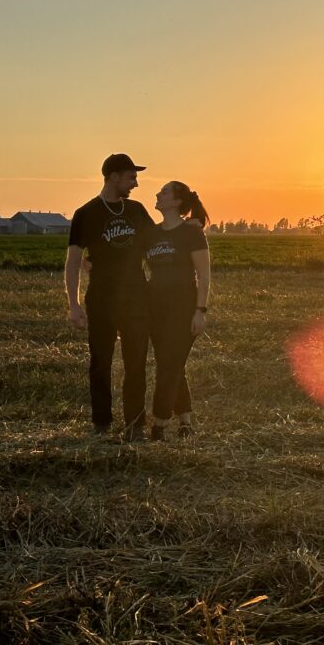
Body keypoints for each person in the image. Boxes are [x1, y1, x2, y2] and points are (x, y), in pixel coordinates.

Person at [65, 153, 155, 440]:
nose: (136, 183)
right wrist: (74, 304)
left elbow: (158, 245)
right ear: (113, 177)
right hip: (101, 299)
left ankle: (135, 425)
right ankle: (101, 423)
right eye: (131, 177)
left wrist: (189, 226)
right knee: (100, 362)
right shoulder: (86, 214)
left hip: (137, 299)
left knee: (136, 362)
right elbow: (73, 260)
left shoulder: (138, 211)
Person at [142, 181, 210, 441]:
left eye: (165, 191)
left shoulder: (192, 233)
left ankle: (158, 425)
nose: (158, 194)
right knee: (171, 364)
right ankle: (186, 422)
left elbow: (203, 276)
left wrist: (200, 310)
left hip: (184, 308)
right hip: (155, 307)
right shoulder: (152, 233)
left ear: (178, 201)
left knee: (169, 365)